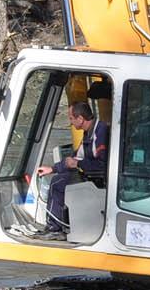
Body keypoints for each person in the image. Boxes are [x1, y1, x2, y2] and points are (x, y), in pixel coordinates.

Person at [31, 100, 109, 237]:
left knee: (57, 183)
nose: (71, 122)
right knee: (59, 178)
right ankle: (58, 225)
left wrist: (78, 164)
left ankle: (55, 229)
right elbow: (74, 158)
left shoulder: (101, 132)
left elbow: (103, 165)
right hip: (90, 173)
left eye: (71, 118)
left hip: (100, 179)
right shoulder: (89, 132)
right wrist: (52, 168)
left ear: (80, 118)